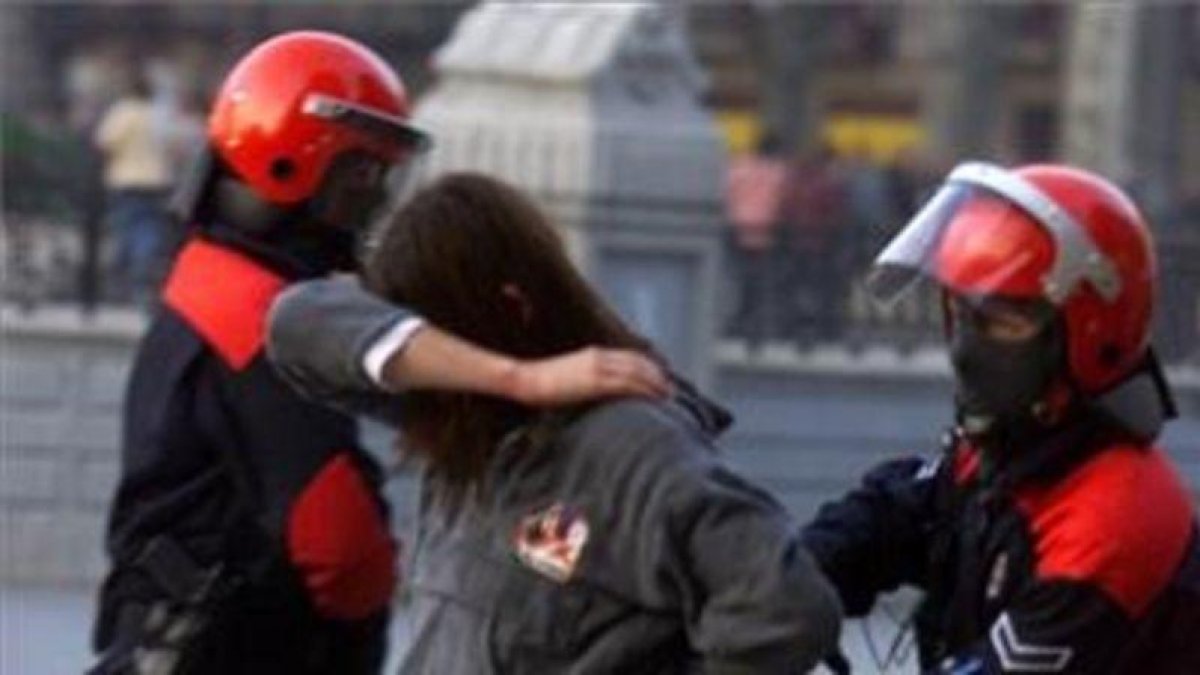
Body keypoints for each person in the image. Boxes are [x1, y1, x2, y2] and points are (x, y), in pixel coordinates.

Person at [88, 32, 666, 675]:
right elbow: (336, 537)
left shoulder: (211, 284)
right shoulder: (254, 317)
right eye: (365, 171)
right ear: (297, 161)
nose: (375, 197)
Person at [267, 172, 844, 673]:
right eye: (422, 348)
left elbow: (786, 610)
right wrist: (516, 377)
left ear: (510, 310)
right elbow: (296, 324)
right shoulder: (467, 415)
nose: (435, 368)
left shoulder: (631, 446)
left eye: (443, 336)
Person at [802, 162, 1200, 673]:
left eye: (1002, 321)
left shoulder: (1113, 515)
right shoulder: (1019, 448)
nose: (966, 348)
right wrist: (789, 579)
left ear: (1087, 334)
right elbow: (900, 510)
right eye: (959, 312)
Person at [94, 68, 173, 304]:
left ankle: (130, 273)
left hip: (126, 178)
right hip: (157, 179)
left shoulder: (124, 112)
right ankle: (143, 268)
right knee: (149, 226)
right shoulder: (159, 114)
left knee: (127, 227)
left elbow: (104, 141)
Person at [723, 133, 790, 348]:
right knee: (762, 282)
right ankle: (757, 323)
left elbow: (727, 195)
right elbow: (783, 201)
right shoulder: (780, 173)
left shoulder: (739, 168)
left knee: (740, 278)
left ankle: (739, 319)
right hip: (767, 233)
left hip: (739, 230)